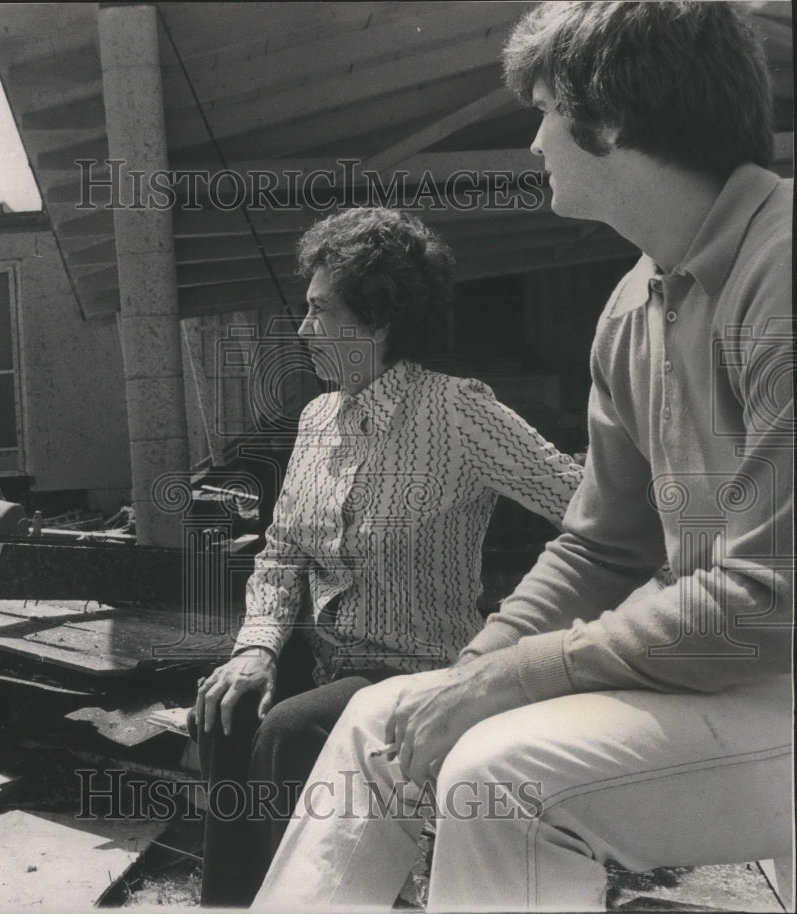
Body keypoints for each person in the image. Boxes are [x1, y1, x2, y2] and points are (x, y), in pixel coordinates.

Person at [253, 3, 793, 910]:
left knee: (498, 777)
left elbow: (770, 602)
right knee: (384, 719)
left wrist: (515, 678)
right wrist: (474, 672)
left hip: (774, 666)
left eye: (545, 109)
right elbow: (600, 547)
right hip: (730, 675)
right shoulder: (634, 304)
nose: (537, 140)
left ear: (609, 119)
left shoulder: (783, 277)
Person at [191, 206, 587, 906]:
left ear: (375, 319)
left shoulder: (459, 412)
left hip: (416, 670)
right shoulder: (317, 419)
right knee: (228, 700)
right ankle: (230, 901)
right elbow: (282, 554)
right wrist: (254, 647)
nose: (303, 329)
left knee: (288, 729)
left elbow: (581, 502)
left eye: (319, 312)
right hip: (328, 658)